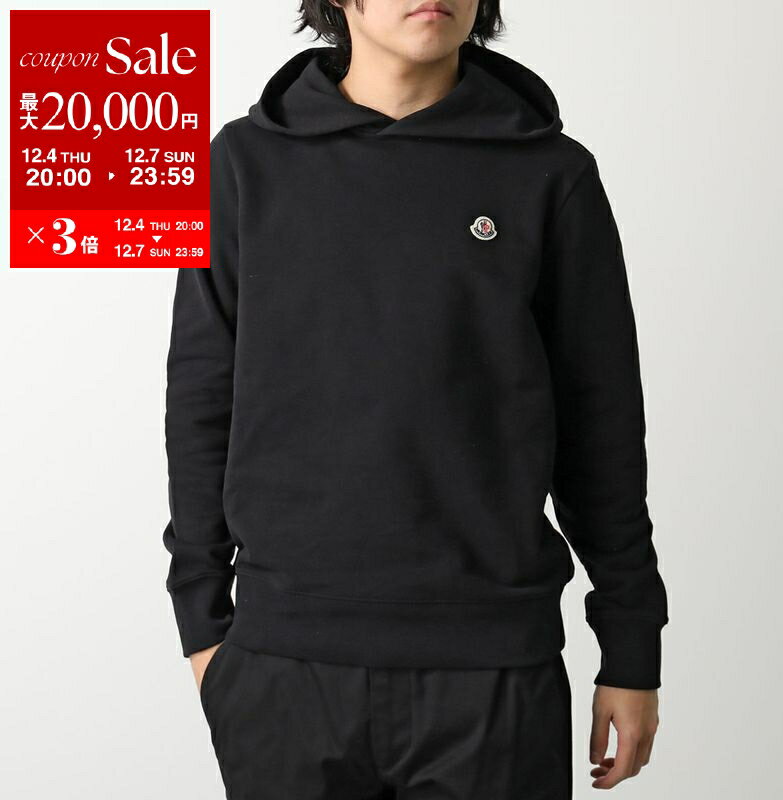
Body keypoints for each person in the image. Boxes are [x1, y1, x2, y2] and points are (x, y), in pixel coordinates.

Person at [162, 1, 669, 797]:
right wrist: (203, 627)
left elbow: (600, 423)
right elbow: (200, 399)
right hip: (285, 668)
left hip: (492, 669)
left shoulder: (550, 172)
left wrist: (632, 647)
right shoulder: (241, 166)